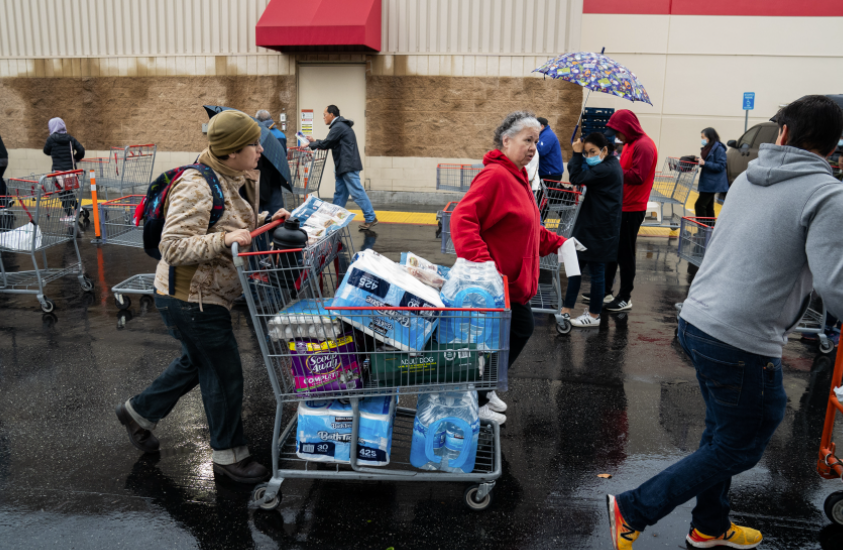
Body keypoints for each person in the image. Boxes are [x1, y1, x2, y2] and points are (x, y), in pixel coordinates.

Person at [607, 95, 843, 550]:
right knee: (743, 442)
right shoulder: (826, 194)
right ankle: (634, 508)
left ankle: (710, 526)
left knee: (722, 432)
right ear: (832, 147)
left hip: (698, 321)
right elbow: (835, 285)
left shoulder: (748, 180)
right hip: (742, 339)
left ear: (783, 134)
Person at [116, 110, 291, 484]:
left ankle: (137, 413)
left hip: (206, 294)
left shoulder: (235, 175)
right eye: (253, 144)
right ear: (230, 151)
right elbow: (173, 246)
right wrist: (224, 239)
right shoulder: (197, 184)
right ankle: (230, 456)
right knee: (224, 370)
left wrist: (265, 220)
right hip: (190, 297)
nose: (261, 149)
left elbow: (227, 222)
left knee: (198, 362)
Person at [451, 111, 567, 425]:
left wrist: (559, 242)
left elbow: (529, 229)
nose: (534, 147)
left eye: (536, 141)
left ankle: (485, 391)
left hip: (512, 283)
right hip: (498, 284)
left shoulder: (518, 176)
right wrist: (483, 266)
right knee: (517, 330)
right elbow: (462, 220)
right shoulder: (496, 176)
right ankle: (476, 400)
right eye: (527, 140)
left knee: (501, 340)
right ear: (507, 140)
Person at [560, 132, 623, 328]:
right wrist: (580, 154)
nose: (589, 156)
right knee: (575, 268)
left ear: (605, 150)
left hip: (599, 228)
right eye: (587, 153)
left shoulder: (607, 168)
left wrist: (576, 154)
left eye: (592, 152)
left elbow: (577, 177)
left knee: (596, 272)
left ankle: (594, 315)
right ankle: (566, 309)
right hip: (592, 225)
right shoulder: (607, 165)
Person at [602, 110, 658, 312]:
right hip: (622, 204)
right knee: (612, 250)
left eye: (618, 131)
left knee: (625, 254)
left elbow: (639, 176)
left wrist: (614, 170)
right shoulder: (629, 144)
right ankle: (605, 291)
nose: (617, 136)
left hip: (632, 207)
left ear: (627, 128)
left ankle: (625, 297)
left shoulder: (643, 145)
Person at [306, 105, 378, 230]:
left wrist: (312, 144)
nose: (323, 117)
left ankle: (370, 217)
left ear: (332, 115)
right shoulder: (339, 126)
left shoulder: (338, 126)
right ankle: (335, 220)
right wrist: (315, 141)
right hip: (342, 166)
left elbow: (327, 143)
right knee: (340, 194)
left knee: (357, 192)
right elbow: (330, 141)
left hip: (347, 166)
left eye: (324, 114)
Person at [43, 117, 85, 219]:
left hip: (58, 172)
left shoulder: (51, 139)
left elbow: (46, 151)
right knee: (68, 190)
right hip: (70, 171)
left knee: (62, 193)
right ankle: (77, 208)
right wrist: (75, 159)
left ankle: (69, 214)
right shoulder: (70, 138)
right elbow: (81, 150)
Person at [255, 109, 289, 214]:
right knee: (276, 209)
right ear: (270, 119)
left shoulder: (257, 134)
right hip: (276, 175)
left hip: (259, 174)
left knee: (260, 209)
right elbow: (284, 155)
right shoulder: (281, 135)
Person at [695, 128, 728, 219]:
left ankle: (702, 231)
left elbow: (721, 166)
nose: (702, 140)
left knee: (700, 205)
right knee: (709, 207)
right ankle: (710, 230)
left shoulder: (719, 149)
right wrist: (699, 161)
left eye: (703, 137)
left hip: (713, 183)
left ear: (710, 137)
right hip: (707, 182)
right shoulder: (708, 148)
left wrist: (705, 163)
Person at [536, 117, 564, 182]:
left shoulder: (547, 135)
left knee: (548, 192)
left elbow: (540, 151)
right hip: (548, 172)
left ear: (541, 126)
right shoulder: (544, 134)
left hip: (550, 173)